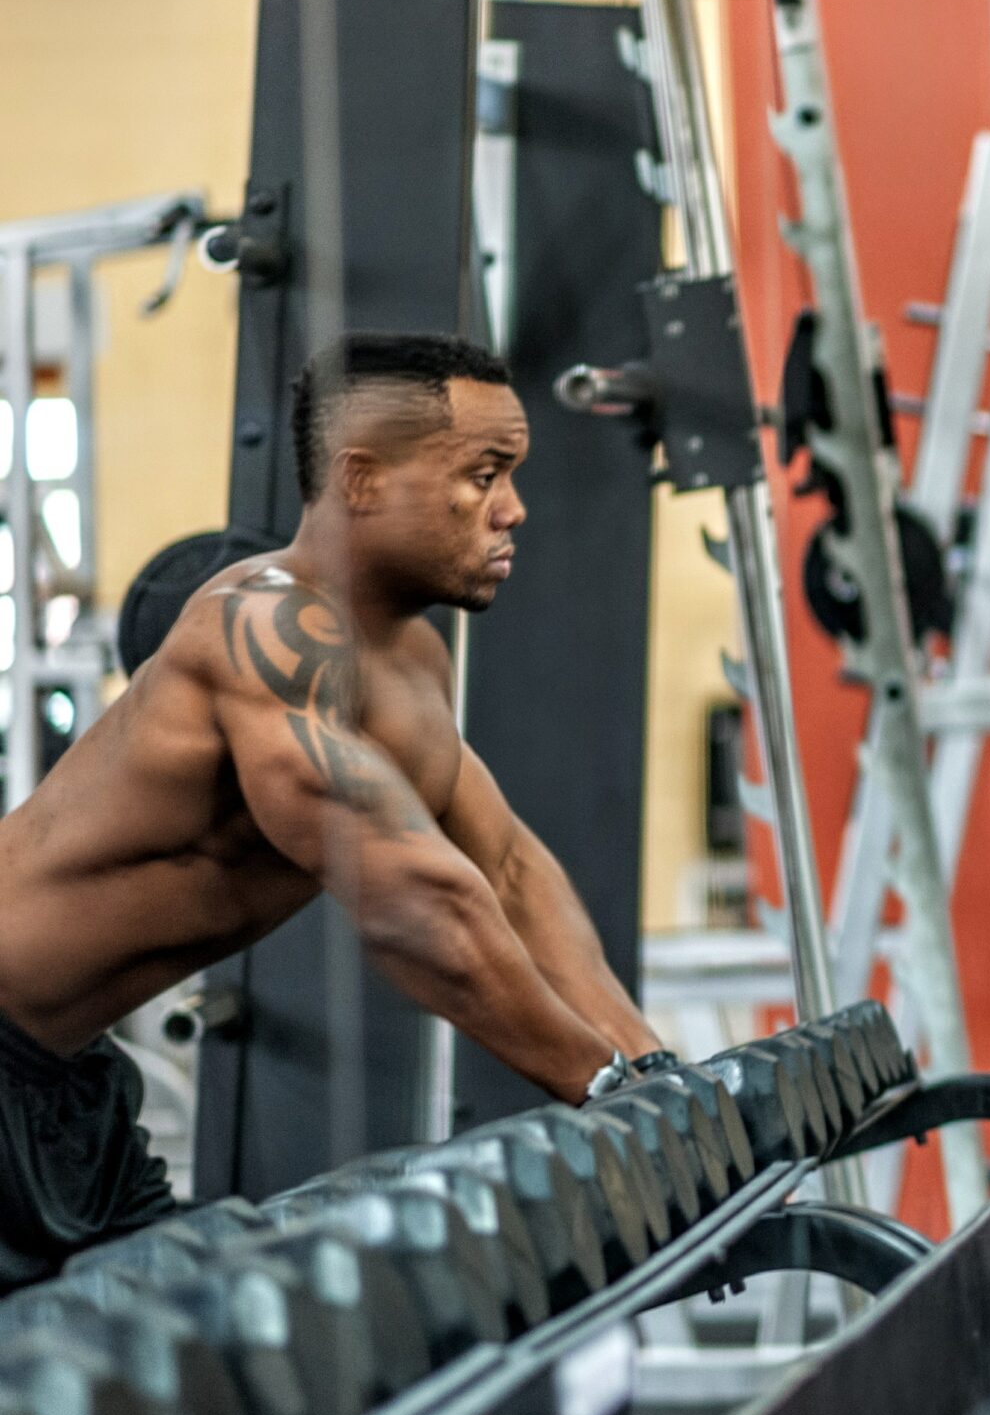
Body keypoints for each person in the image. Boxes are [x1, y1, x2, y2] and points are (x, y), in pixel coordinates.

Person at [0, 332, 666, 1292]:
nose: (514, 509)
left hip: (68, 1086)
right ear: (362, 480)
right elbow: (413, 903)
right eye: (484, 475)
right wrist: (600, 1087)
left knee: (204, 1378)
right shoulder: (262, 626)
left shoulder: (412, 665)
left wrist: (656, 1076)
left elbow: (508, 872)